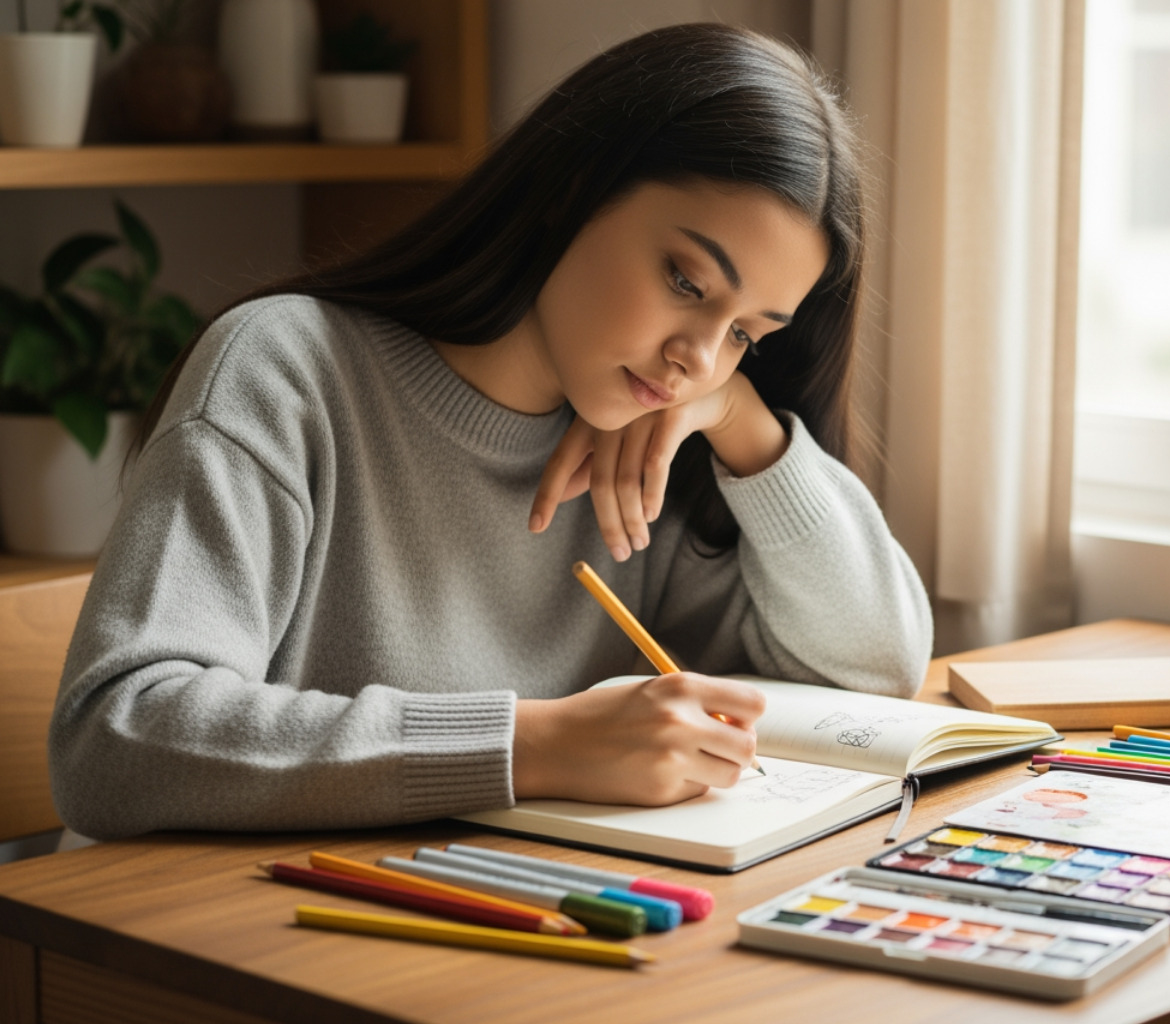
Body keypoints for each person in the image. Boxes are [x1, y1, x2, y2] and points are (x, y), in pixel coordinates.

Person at [49, 23, 933, 841]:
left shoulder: (653, 450)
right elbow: (115, 737)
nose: (696, 358)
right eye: (687, 281)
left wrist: (742, 423)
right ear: (570, 193)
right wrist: (534, 744)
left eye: (745, 334)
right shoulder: (290, 369)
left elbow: (874, 667)